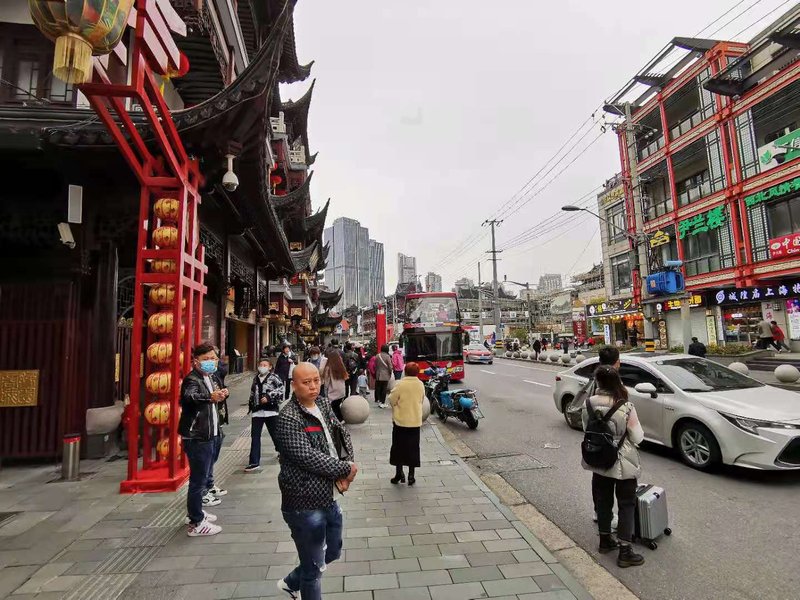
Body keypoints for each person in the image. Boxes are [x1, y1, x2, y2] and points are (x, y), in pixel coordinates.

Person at [275, 363, 358, 600]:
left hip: (328, 496)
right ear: (293, 385)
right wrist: (346, 469)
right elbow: (308, 457)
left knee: (333, 550)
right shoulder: (288, 417)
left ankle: (290, 582)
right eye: (306, 382)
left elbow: (340, 433)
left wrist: (347, 466)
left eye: (315, 380)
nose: (313, 386)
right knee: (313, 569)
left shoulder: (322, 403)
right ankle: (300, 586)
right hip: (303, 502)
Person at [581, 365, 645, 568]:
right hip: (623, 460)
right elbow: (637, 436)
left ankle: (605, 540)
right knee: (626, 503)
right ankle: (625, 551)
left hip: (598, 458)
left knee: (603, 501)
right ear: (617, 381)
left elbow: (586, 428)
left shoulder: (588, 403)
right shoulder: (625, 405)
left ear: (597, 382)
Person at [178, 342, 229, 536]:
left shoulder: (209, 377)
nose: (211, 362)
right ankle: (196, 523)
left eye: (213, 358)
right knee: (198, 480)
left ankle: (196, 512)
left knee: (201, 476)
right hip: (197, 436)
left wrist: (222, 394)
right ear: (196, 361)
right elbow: (190, 397)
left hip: (210, 432)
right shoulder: (192, 379)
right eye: (206, 359)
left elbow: (214, 396)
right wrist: (210, 397)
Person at [388, 362, 425, 486]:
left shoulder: (400, 384)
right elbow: (421, 399)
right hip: (415, 422)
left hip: (400, 422)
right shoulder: (420, 384)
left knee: (398, 448)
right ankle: (411, 475)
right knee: (413, 448)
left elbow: (392, 400)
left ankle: (399, 474)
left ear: (406, 371)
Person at [245, 358, 285, 473]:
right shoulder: (255, 379)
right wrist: (251, 406)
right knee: (255, 436)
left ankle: (282, 452)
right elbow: (253, 393)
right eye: (260, 365)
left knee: (275, 434)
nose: (262, 367)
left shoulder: (274, 378)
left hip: (271, 411)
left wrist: (268, 397)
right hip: (257, 411)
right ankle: (254, 462)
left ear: (270, 367)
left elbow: (281, 391)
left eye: (265, 365)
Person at [322, 351, 348, 421]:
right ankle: (341, 419)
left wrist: (325, 392)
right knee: (336, 406)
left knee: (333, 407)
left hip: (333, 392)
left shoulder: (328, 368)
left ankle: (338, 420)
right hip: (341, 391)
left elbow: (326, 383)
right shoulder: (341, 366)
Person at [374, 344, 393, 409]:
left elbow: (375, 365)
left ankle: (379, 400)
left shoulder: (377, 356)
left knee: (379, 388)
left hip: (378, 374)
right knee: (384, 388)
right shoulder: (387, 356)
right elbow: (390, 366)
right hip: (385, 374)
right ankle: (383, 402)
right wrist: (390, 372)